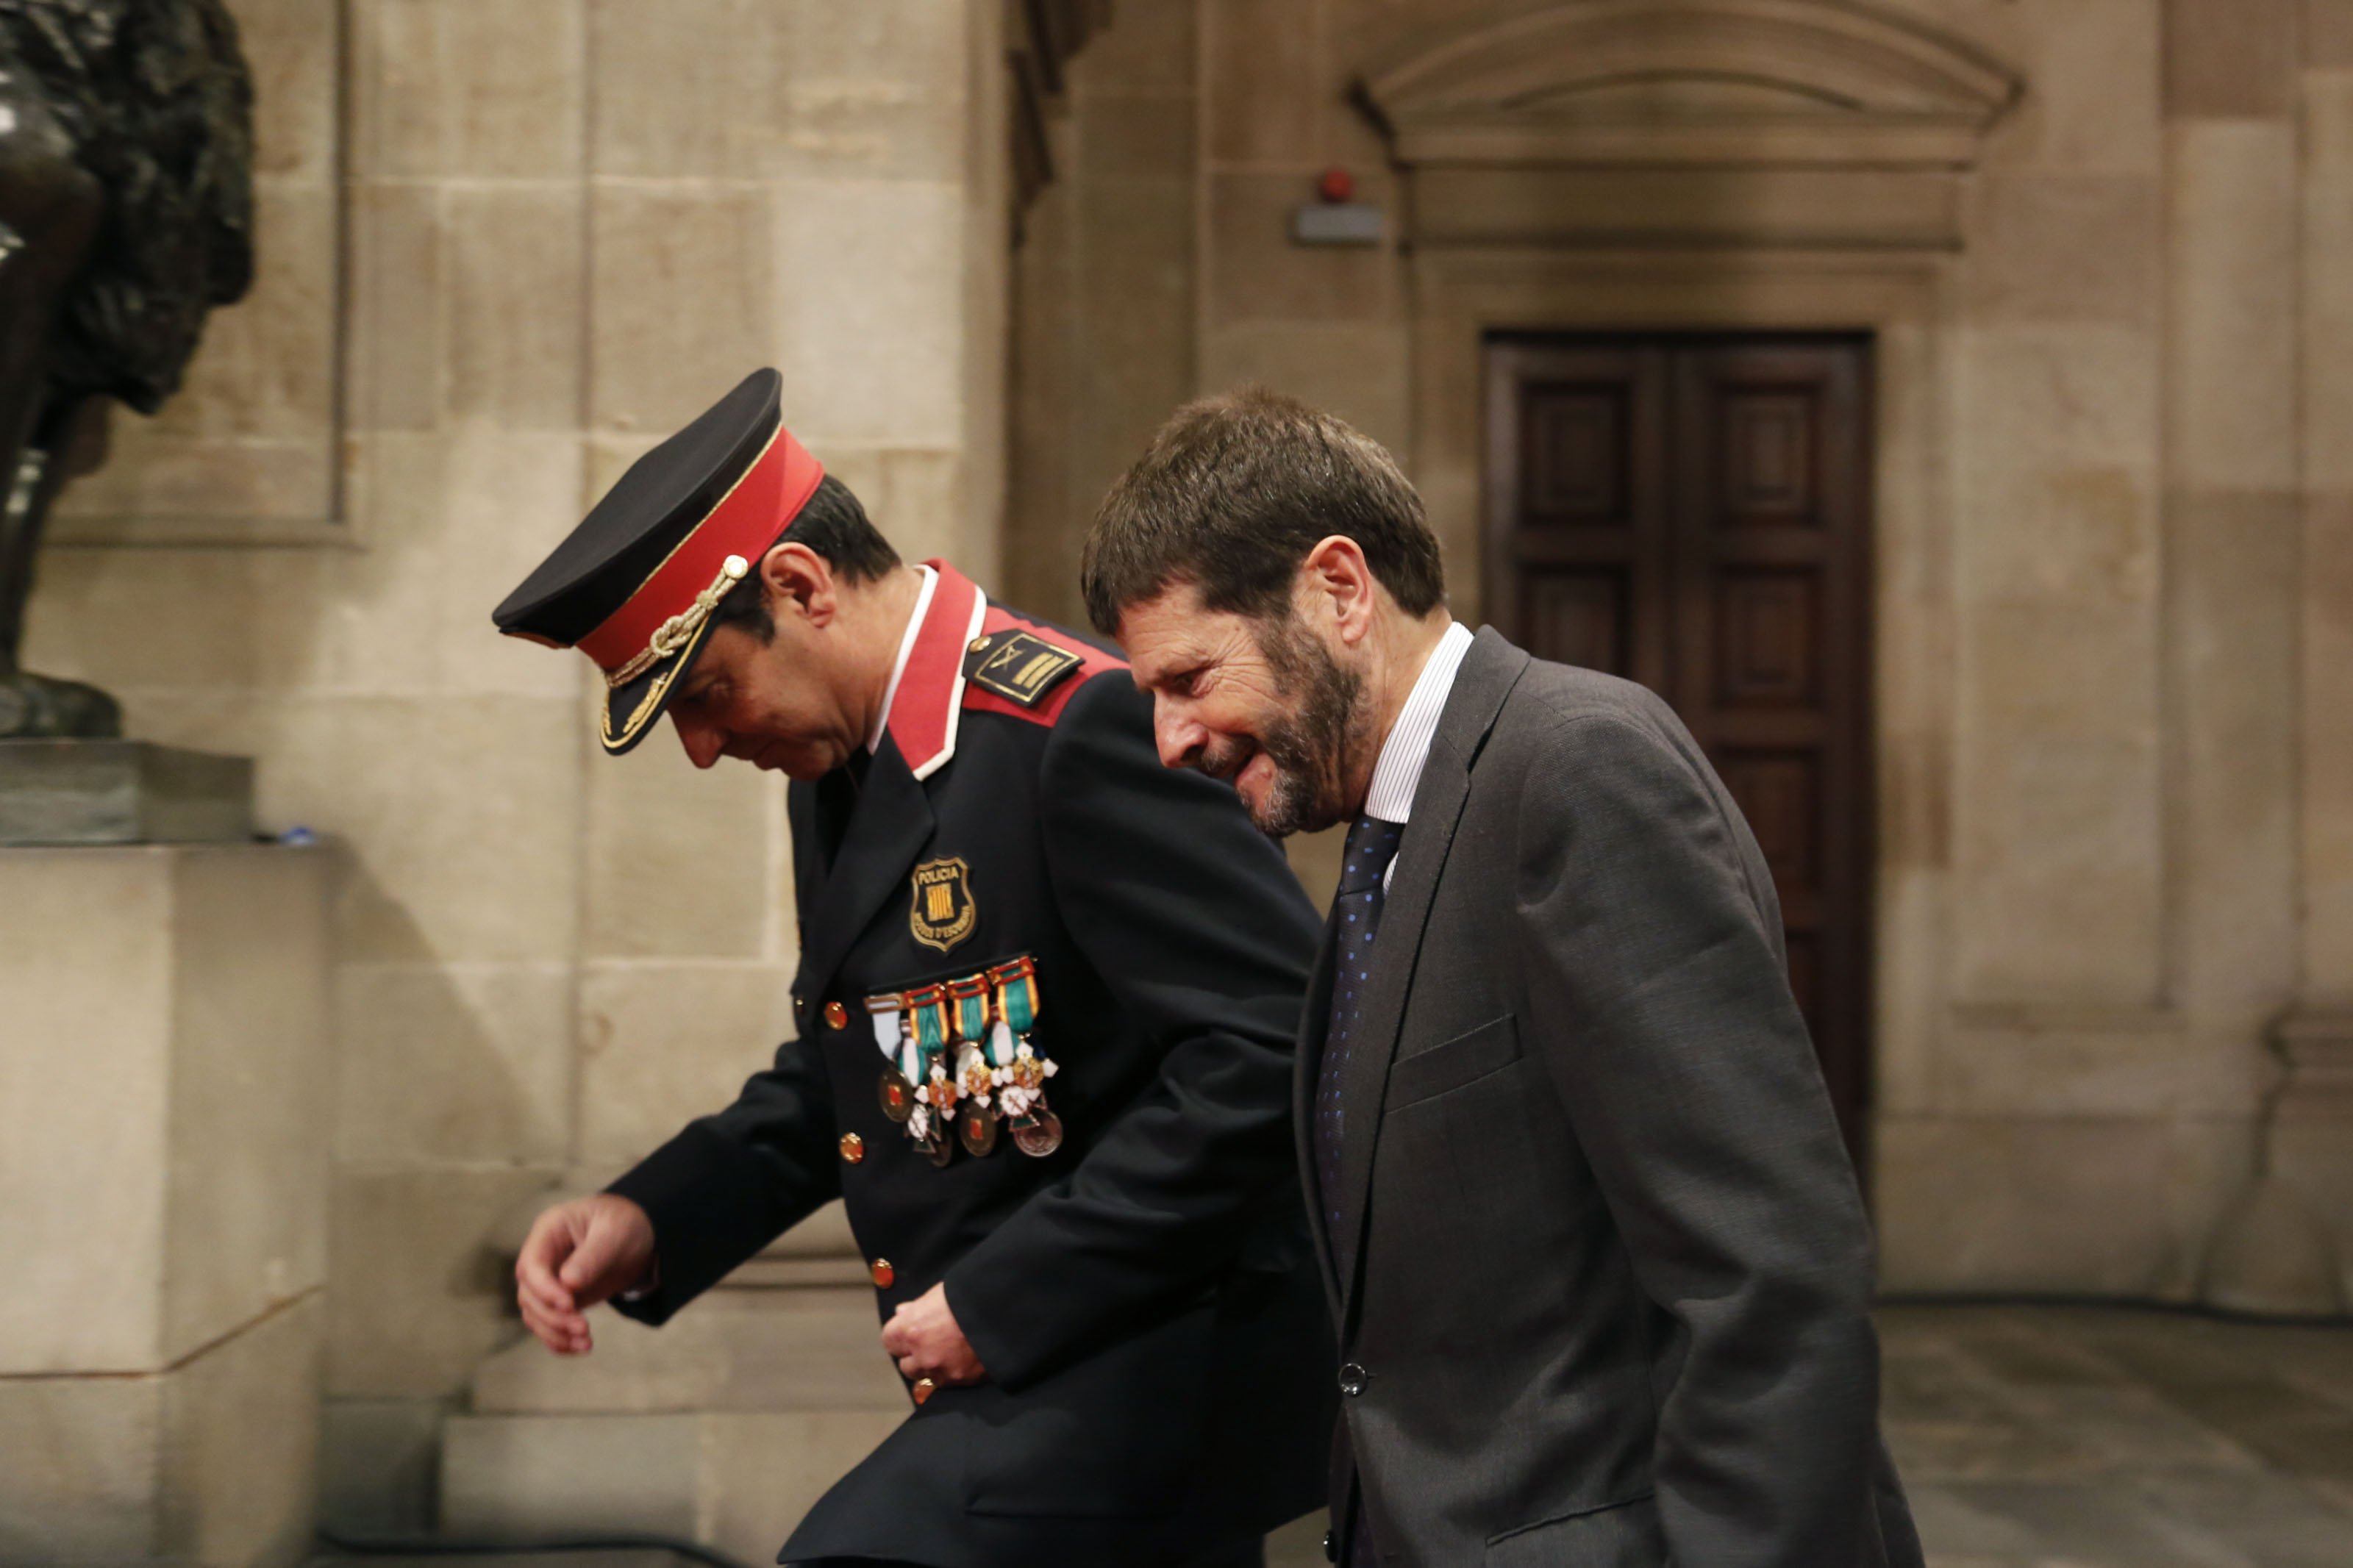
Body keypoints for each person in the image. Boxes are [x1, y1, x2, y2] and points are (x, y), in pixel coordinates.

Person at [492, 369, 1334, 1568]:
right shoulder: (838, 768)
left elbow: (1272, 1046)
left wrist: (1006, 1298)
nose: (702, 748)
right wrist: (653, 1212)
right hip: (1041, 1375)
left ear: (798, 585)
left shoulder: (1072, 730)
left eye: (708, 692)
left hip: (1161, 1346)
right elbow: (865, 1062)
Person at [1079, 387, 1923, 1568]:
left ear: (1338, 588)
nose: (1173, 738)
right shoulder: (1392, 839)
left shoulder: (1577, 768)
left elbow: (1768, 1274)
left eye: (1188, 678)